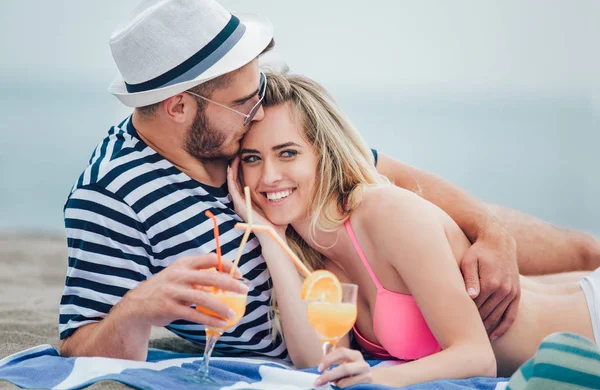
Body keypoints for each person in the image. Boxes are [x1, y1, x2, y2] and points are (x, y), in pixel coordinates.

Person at [59, 0, 599, 361]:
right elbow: (80, 346)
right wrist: (137, 307)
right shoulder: (112, 196)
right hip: (358, 337)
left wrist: (490, 231)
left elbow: (385, 172)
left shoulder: (244, 130)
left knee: (580, 252)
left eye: (260, 89)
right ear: (179, 106)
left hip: (410, 278)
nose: (258, 109)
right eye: (243, 102)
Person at [228, 70, 600, 388]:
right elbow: (315, 360)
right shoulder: (315, 254)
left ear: (323, 154)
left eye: (287, 152)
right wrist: (267, 236)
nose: (269, 176)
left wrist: (378, 380)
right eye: (252, 159)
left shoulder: (385, 214)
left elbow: (476, 357)